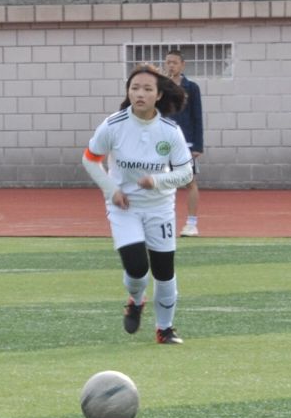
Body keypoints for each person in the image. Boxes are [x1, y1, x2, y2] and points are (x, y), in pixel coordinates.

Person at [82, 64, 194, 344]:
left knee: (164, 271)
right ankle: (136, 299)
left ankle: (165, 329)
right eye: (134, 88)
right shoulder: (113, 125)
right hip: (125, 208)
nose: (140, 94)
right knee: (136, 269)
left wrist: (156, 181)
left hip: (160, 208)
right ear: (128, 92)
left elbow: (186, 173)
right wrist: (112, 190)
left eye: (147, 89)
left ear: (158, 95)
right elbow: (90, 159)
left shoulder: (170, 131)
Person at [163, 49, 204, 237]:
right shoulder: (160, 87)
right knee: (162, 182)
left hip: (185, 142)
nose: (171, 66)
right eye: (168, 62)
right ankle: (163, 222)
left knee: (190, 181)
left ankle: (191, 224)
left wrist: (198, 145)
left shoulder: (191, 87)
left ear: (182, 65)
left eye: (174, 62)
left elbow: (197, 116)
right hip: (163, 143)